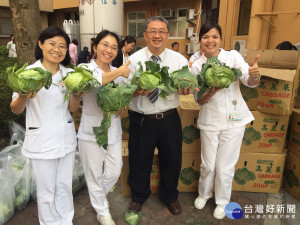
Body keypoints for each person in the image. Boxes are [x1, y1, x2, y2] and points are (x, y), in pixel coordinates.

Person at [10, 26, 80, 225]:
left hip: (65, 138)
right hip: (41, 141)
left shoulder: (69, 74)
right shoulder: (28, 73)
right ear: (40, 44)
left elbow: (73, 109)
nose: (57, 50)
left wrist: (75, 94)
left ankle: (66, 221)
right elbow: (15, 108)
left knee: (65, 185)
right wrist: (24, 96)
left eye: (62, 46)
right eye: (52, 44)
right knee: (46, 190)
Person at [190, 22, 260, 220]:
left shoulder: (233, 57)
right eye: (205, 37)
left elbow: (249, 81)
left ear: (220, 39)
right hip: (210, 120)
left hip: (234, 119)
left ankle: (222, 201)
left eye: (214, 36)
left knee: (225, 166)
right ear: (200, 41)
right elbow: (199, 100)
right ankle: (204, 193)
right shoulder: (197, 66)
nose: (210, 40)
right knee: (208, 165)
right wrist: (212, 90)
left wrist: (254, 75)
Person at [126, 16, 191, 216]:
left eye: (161, 31)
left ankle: (170, 196)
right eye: (152, 31)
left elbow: (186, 83)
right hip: (141, 119)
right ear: (145, 35)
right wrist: (136, 91)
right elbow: (125, 90)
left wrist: (186, 88)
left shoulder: (179, 60)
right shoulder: (133, 60)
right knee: (139, 159)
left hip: (169, 118)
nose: (157, 35)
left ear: (168, 35)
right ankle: (138, 196)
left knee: (172, 159)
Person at [77, 30, 131, 225]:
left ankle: (97, 198)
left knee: (115, 171)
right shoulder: (84, 68)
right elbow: (91, 83)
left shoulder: (119, 74)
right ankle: (103, 212)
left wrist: (121, 108)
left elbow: (124, 105)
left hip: (113, 132)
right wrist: (118, 71)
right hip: (91, 133)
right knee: (93, 174)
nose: (109, 50)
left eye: (114, 47)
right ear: (95, 46)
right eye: (105, 45)